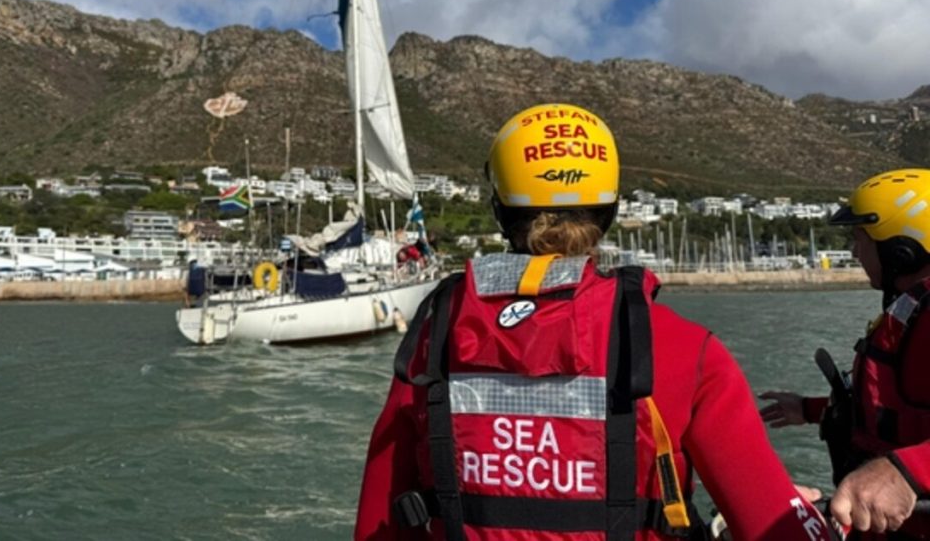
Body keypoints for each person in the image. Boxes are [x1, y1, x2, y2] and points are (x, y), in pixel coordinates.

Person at [355, 103, 831, 541]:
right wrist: (804, 512)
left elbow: (378, 519)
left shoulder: (435, 338)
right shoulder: (681, 347)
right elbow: (775, 527)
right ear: (611, 208)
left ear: (500, 208)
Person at [761, 169, 930, 539]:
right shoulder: (911, 313)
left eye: (859, 239)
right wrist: (809, 410)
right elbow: (895, 410)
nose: (854, 252)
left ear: (901, 249)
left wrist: (906, 471)